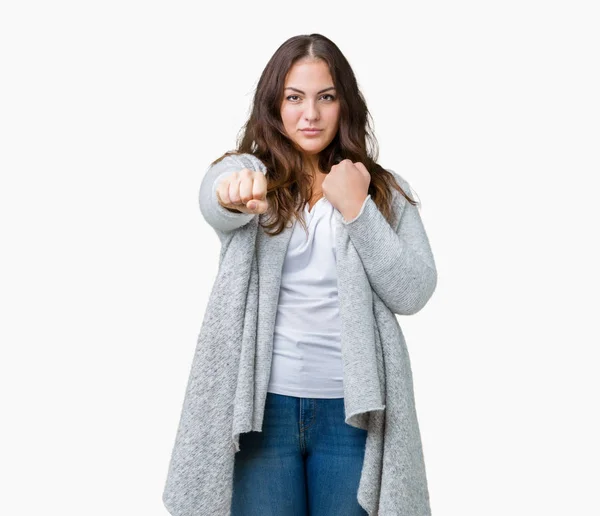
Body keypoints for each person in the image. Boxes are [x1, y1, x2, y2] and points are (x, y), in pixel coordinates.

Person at [163, 33, 437, 516]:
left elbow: (413, 290)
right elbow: (217, 196)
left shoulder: (381, 191)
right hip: (262, 412)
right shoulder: (252, 175)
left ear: (344, 104)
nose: (310, 114)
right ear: (275, 104)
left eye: (325, 97)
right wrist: (234, 191)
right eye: (294, 98)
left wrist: (358, 209)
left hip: (352, 414)